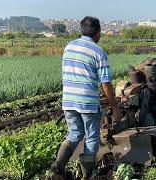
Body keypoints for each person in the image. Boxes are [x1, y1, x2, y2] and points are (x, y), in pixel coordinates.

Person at [50, 16, 121, 179]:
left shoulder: (69, 47)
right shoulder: (98, 52)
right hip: (87, 103)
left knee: (74, 134)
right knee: (91, 138)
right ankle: (86, 174)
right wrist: (115, 108)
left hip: (68, 101)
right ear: (98, 33)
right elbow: (106, 85)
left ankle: (57, 167)